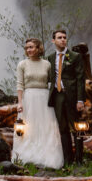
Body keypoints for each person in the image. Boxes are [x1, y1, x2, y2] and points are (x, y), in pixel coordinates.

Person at [12, 38, 63, 168]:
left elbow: (53, 82)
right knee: (28, 127)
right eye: (27, 48)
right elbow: (20, 84)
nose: (28, 50)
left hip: (44, 97)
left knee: (46, 127)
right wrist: (20, 102)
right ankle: (26, 156)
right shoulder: (22, 64)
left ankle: (48, 157)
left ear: (38, 48)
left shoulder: (47, 64)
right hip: (28, 98)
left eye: (31, 47)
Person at [46, 29, 86, 164]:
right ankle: (68, 160)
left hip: (72, 97)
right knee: (63, 128)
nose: (63, 39)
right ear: (53, 41)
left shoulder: (75, 56)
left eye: (64, 37)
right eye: (59, 37)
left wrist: (80, 100)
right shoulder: (50, 58)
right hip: (57, 96)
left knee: (77, 128)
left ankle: (79, 160)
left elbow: (81, 79)